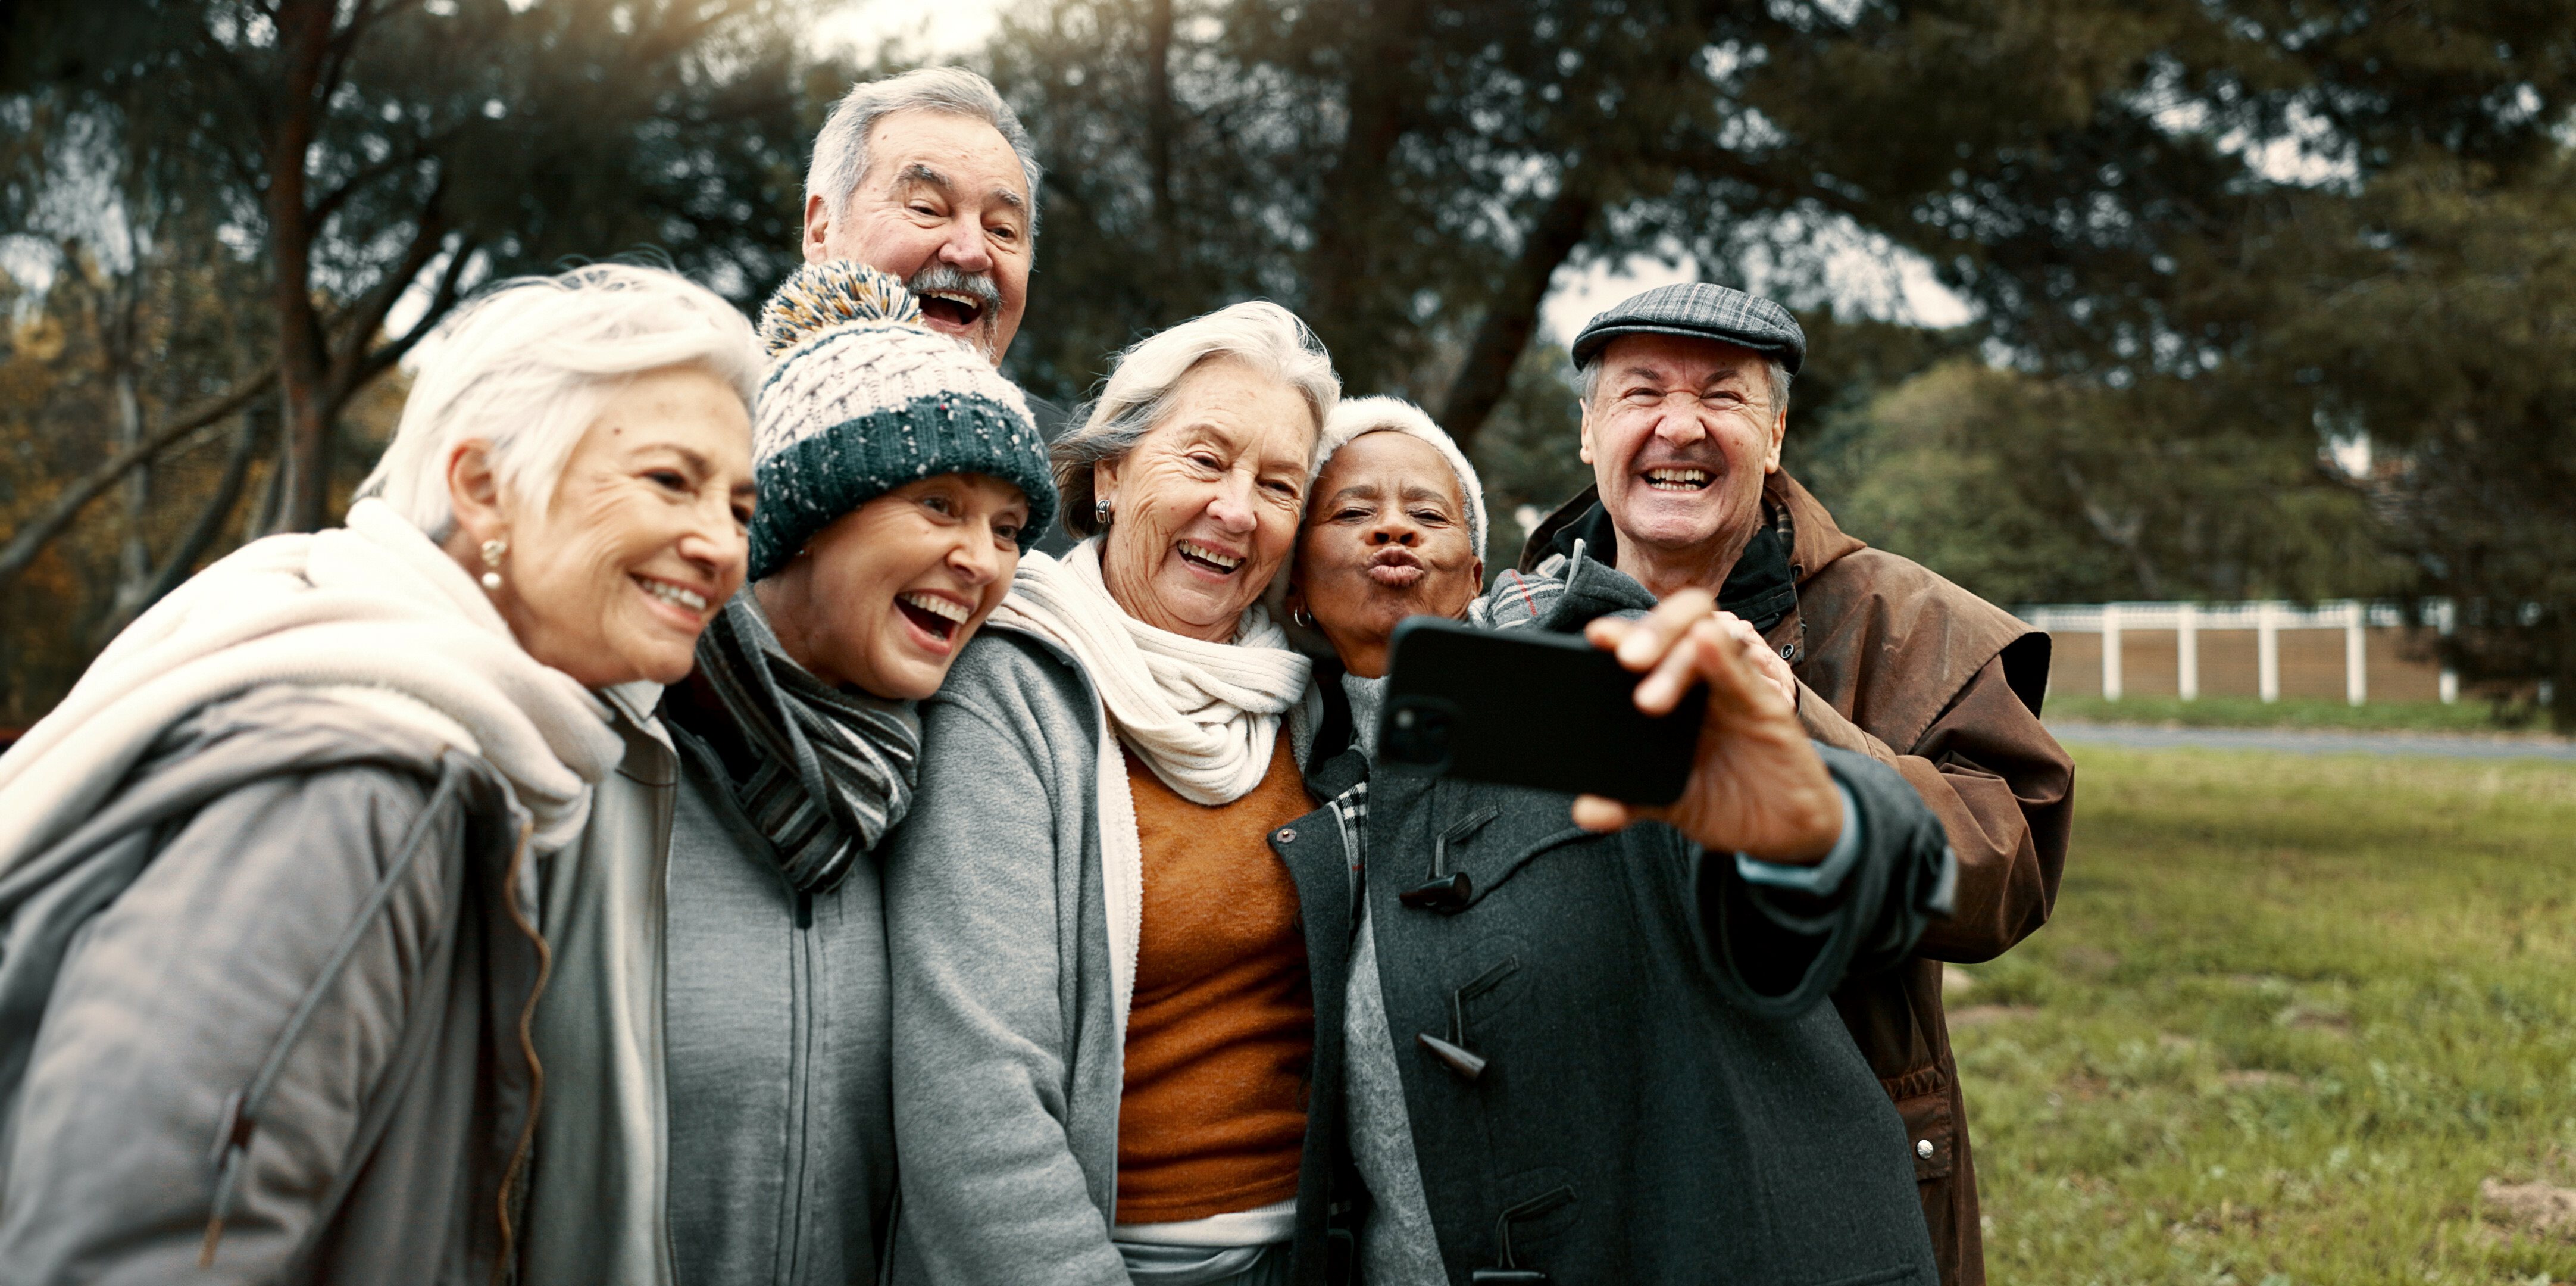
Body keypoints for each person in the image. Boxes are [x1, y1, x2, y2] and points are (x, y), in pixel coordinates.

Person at [0, 263, 760, 1282]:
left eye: (743, 507)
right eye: (670, 481)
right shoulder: (368, 787)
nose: (718, 544)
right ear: (482, 487)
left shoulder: (489, 752)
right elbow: (133, 1244)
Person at [1277, 398, 1953, 1282]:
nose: (1393, 529)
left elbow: (1880, 865)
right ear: (1293, 582)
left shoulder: (1607, 677)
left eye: (1429, 512)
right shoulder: (1287, 772)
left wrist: (1821, 821)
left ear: (1477, 570)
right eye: (1352, 512)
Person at [1484, 282, 2078, 1285]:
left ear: (1775, 433)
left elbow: (2005, 876)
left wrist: (1800, 730)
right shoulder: (1506, 627)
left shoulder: (1909, 623)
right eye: (1638, 394)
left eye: (1722, 395)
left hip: (1824, 1185)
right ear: (1588, 432)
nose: (1679, 425)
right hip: (1582, 1168)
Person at [510, 259, 1057, 1286]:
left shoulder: (956, 785)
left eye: (1007, 530)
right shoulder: (603, 749)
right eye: (937, 504)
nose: (981, 561)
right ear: (801, 518)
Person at [884, 301, 1339, 1286]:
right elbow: (973, 1102)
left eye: (1277, 485)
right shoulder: (1010, 689)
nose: (1235, 509)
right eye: (1205, 460)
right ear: (1112, 470)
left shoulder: (1308, 697)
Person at [800, 66, 1042, 363]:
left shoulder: (1061, 413)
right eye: (925, 209)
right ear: (821, 230)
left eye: (1001, 230)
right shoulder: (735, 403)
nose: (972, 253)